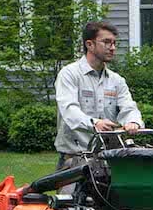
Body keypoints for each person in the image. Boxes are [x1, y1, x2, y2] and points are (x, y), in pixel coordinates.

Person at [54, 21, 144, 187]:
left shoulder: (117, 81)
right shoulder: (69, 75)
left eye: (114, 43)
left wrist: (133, 122)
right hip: (74, 159)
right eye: (107, 42)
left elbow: (129, 107)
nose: (112, 48)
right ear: (90, 44)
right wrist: (95, 123)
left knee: (113, 208)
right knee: (70, 208)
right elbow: (69, 110)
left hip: (108, 159)